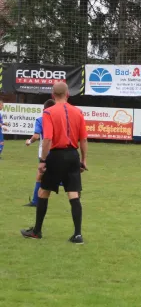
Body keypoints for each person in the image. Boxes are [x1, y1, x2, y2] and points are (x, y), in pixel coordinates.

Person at [20, 82, 88, 244]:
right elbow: (83, 139)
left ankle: (37, 231)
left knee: (43, 192)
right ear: (67, 94)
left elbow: (48, 138)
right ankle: (77, 235)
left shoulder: (48, 112)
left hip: (56, 156)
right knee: (73, 194)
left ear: (52, 95)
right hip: (73, 154)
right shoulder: (78, 112)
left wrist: (43, 160)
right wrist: (83, 160)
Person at [24, 99, 56, 207]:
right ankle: (35, 201)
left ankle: (35, 201)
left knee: (41, 175)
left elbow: (36, 136)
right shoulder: (59, 120)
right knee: (45, 175)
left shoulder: (41, 120)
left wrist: (29, 141)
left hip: (44, 152)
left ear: (44, 109)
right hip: (59, 151)